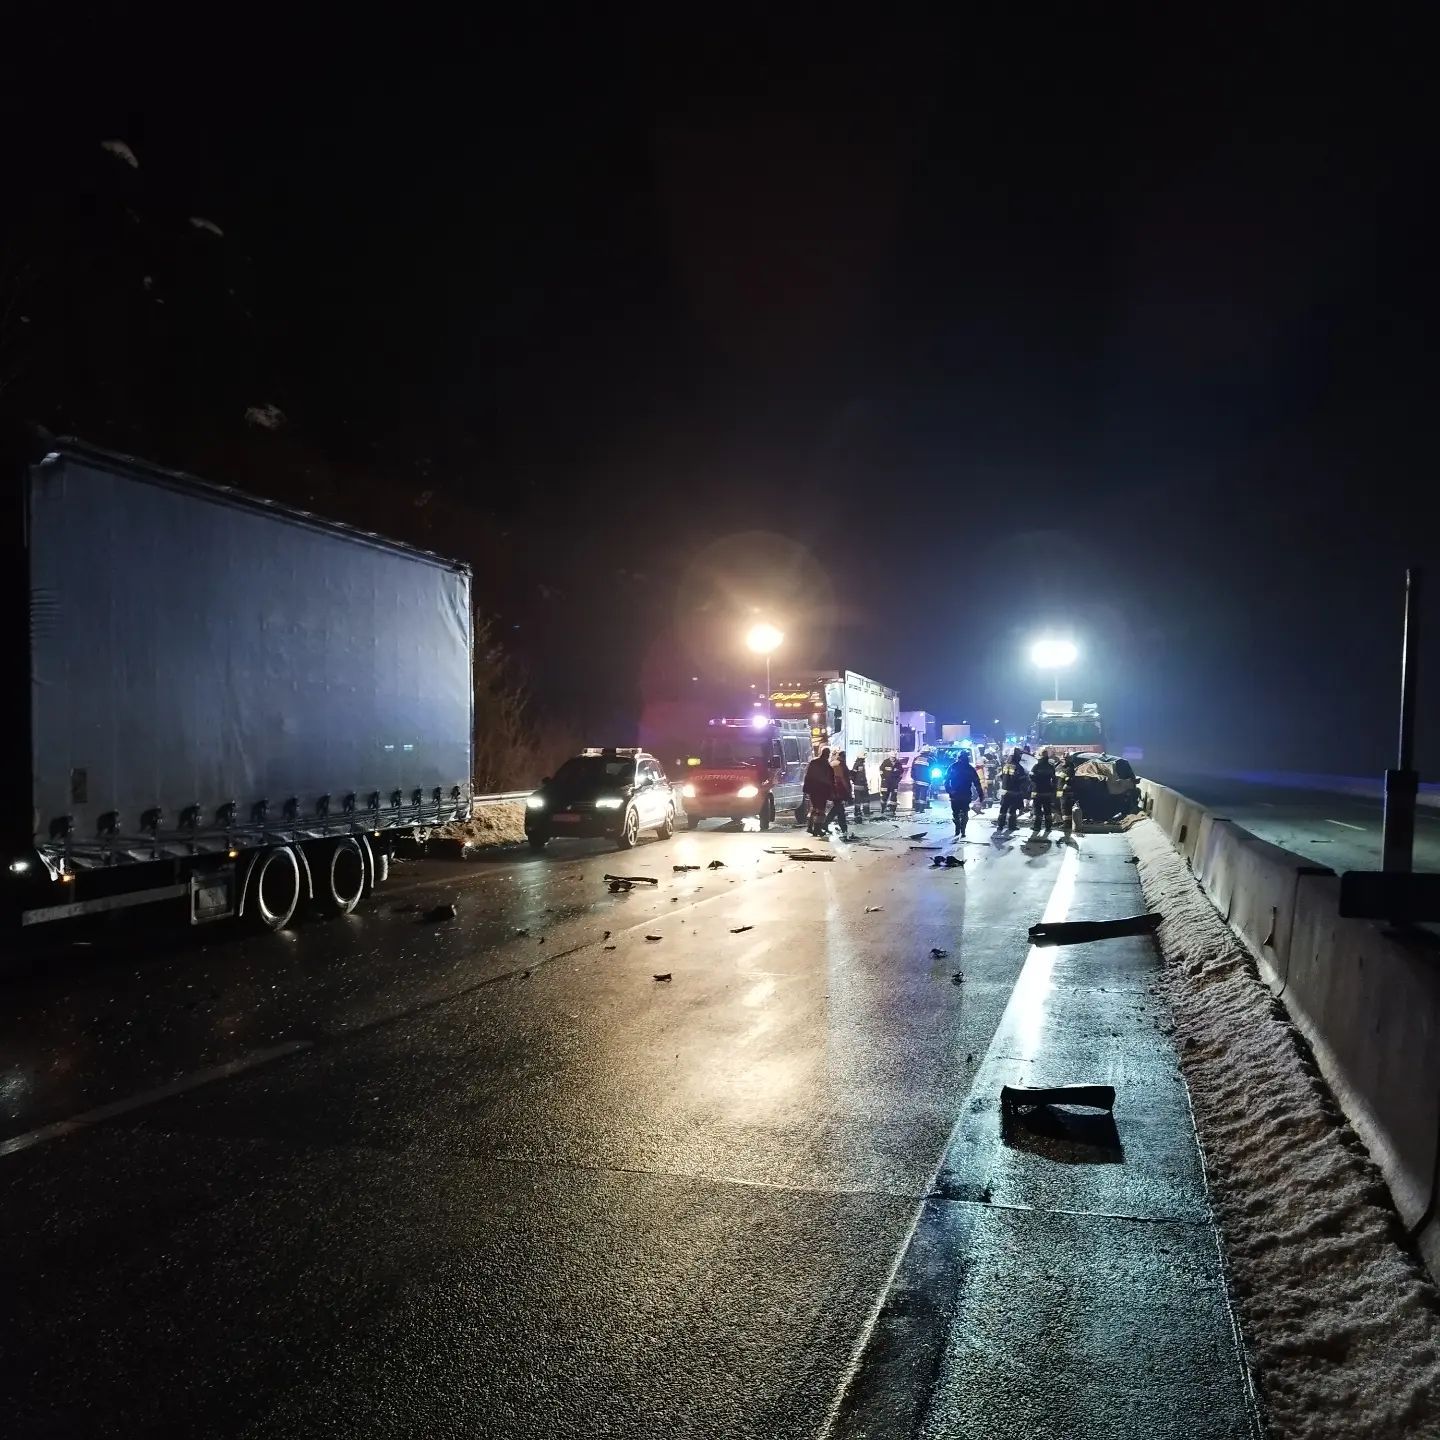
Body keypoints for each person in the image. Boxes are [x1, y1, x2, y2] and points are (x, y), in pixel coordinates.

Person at [944, 748, 985, 838]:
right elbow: (977, 783)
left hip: (955, 795)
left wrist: (950, 790)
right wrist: (981, 794)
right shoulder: (970, 768)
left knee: (956, 813)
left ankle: (958, 828)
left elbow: (946, 781)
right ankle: (962, 830)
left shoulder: (952, 767)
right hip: (965, 794)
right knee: (965, 813)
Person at [803, 747, 834, 837]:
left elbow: (807, 776)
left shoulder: (813, 762)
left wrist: (807, 789)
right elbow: (830, 780)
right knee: (820, 810)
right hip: (822, 791)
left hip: (813, 790)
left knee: (815, 808)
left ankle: (810, 826)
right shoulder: (827, 766)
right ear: (828, 755)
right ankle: (817, 829)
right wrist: (831, 793)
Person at [998, 747, 1029, 831]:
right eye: (1019, 755)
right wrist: (1025, 777)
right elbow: (1018, 779)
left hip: (1004, 791)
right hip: (1014, 792)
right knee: (1012, 810)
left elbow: (1001, 776)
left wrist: (1005, 784)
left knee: (1003, 810)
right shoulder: (1017, 767)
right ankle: (1011, 826)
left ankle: (1000, 826)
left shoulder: (1005, 765)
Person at [827, 749, 853, 838]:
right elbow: (842, 779)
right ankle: (844, 829)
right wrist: (848, 792)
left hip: (835, 791)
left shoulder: (834, 764)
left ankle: (825, 824)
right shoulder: (839, 765)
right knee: (840, 810)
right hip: (839, 791)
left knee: (837, 809)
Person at [1030, 747, 1058, 832]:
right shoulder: (1050, 766)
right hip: (1047, 792)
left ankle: (1037, 827)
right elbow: (1054, 779)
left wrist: (1036, 782)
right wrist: (1052, 789)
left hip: (1037, 791)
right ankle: (1048, 827)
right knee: (1047, 810)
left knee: (1037, 811)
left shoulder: (1036, 766)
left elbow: (1031, 776)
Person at [850, 751, 871, 822]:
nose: (864, 759)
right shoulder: (858, 764)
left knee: (861, 800)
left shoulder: (860, 764)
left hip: (861, 785)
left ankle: (861, 811)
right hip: (860, 785)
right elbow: (852, 774)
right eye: (863, 758)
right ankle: (861, 812)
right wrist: (856, 782)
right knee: (861, 799)